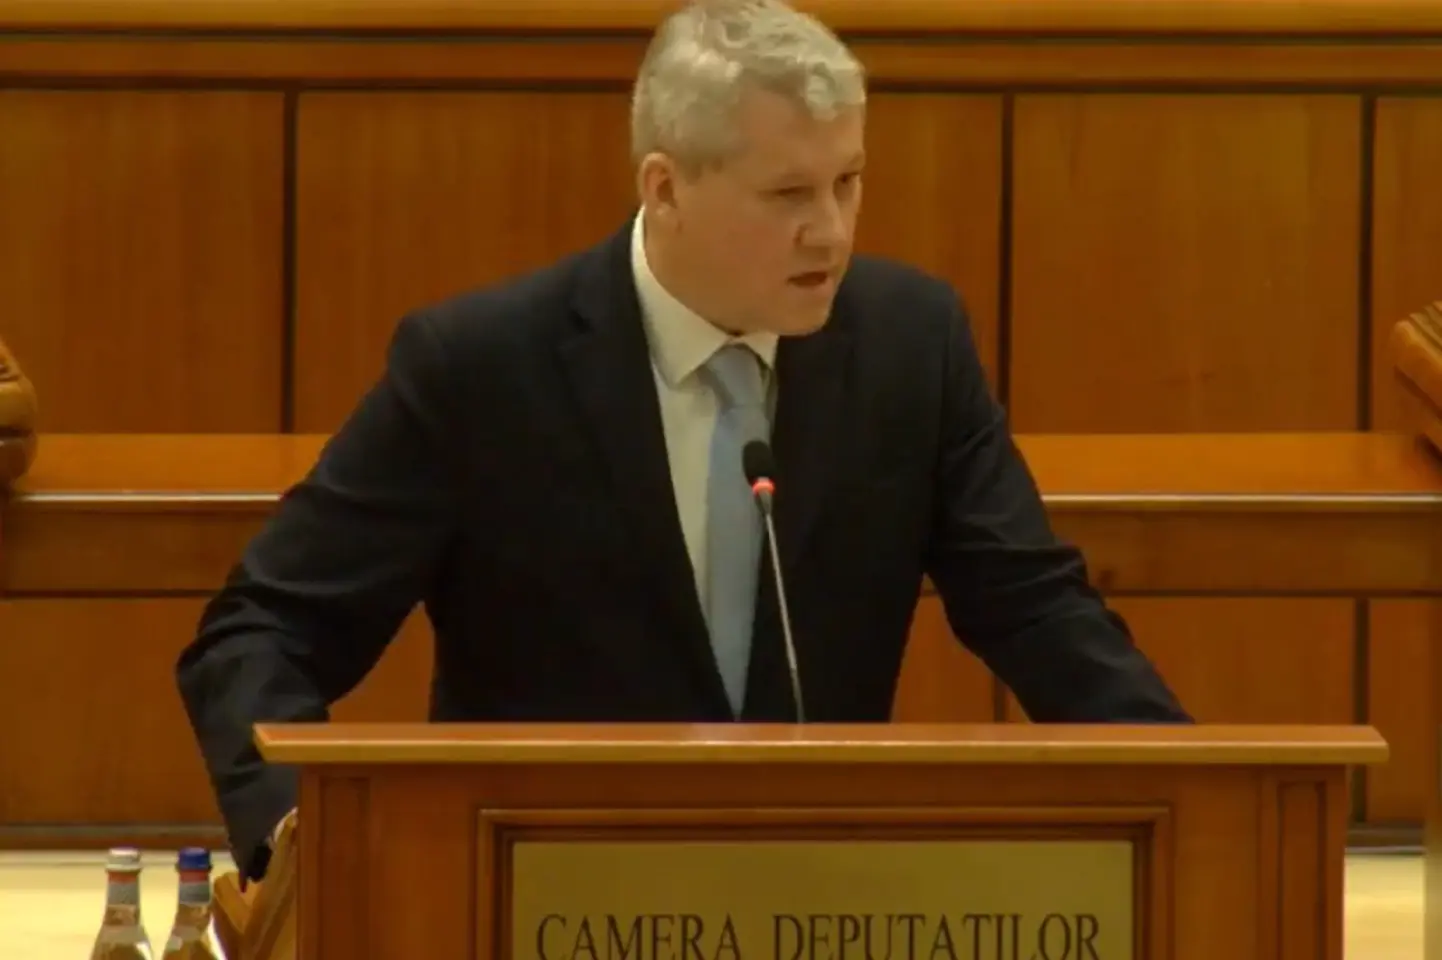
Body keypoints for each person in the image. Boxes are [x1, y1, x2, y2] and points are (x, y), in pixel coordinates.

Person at [176, 0, 1189, 884]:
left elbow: (1034, 608)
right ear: (663, 188)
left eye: (847, 182)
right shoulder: (482, 367)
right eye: (788, 194)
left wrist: (1190, 793)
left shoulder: (909, 346)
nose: (832, 231)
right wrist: (300, 842)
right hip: (539, 889)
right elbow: (263, 630)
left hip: (823, 887)